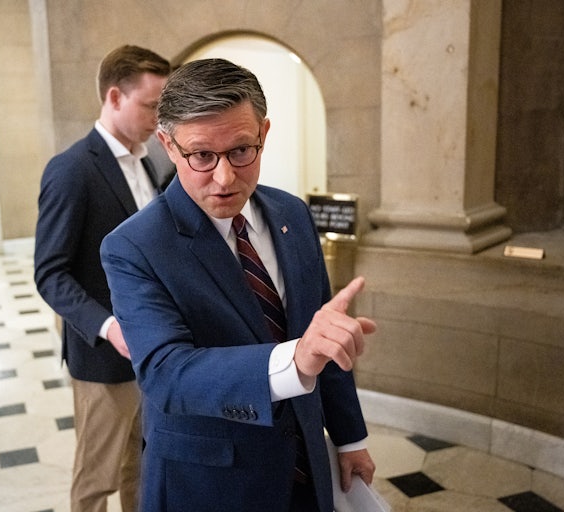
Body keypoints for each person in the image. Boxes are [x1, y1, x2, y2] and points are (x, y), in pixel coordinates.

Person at [100, 58, 377, 512]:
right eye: (202, 155)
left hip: (306, 465)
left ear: (264, 133)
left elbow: (325, 336)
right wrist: (294, 358)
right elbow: (167, 374)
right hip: (209, 483)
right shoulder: (134, 246)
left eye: (241, 151)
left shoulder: (292, 214)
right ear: (168, 145)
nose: (225, 177)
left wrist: (350, 439)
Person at [34, 45, 171, 512]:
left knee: (143, 464)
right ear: (115, 97)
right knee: (97, 478)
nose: (160, 118)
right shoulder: (72, 169)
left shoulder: (149, 162)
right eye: (152, 105)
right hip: (103, 359)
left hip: (152, 349)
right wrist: (109, 327)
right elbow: (50, 273)